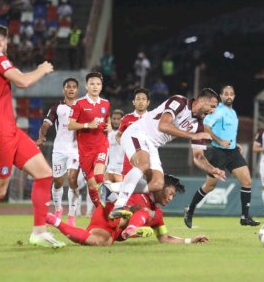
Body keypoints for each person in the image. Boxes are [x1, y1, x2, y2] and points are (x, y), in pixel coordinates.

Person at [0, 24, 65, 255]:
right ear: (1, 42)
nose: (6, 46)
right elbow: (23, 82)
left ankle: (39, 231)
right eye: (6, 43)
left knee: (44, 174)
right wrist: (42, 69)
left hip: (6, 132)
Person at [108, 88, 226, 221]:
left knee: (157, 184)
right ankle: (118, 205)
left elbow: (198, 156)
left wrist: (212, 169)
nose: (213, 111)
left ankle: (110, 188)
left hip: (152, 145)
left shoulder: (198, 126)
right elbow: (163, 125)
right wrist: (193, 135)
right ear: (201, 101)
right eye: (212, 106)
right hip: (137, 133)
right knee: (144, 164)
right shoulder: (179, 102)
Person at [47, 174, 208, 246]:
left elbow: (164, 238)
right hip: (108, 217)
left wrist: (189, 240)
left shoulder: (158, 214)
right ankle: (130, 229)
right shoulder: (138, 188)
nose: (171, 198)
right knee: (145, 212)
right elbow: (106, 188)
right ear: (160, 187)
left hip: (114, 231)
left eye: (173, 196)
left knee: (101, 243)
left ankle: (52, 220)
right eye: (170, 193)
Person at [184, 85, 260, 227]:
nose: (229, 96)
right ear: (221, 96)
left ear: (234, 96)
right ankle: (190, 209)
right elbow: (206, 127)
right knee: (210, 186)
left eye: (231, 93)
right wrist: (220, 141)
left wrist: (234, 144)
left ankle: (245, 217)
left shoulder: (233, 112)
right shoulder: (217, 111)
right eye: (226, 94)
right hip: (218, 151)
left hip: (232, 152)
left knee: (247, 181)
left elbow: (228, 132)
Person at [36, 77, 85, 227]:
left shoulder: (83, 106)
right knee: (57, 182)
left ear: (77, 90)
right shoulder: (57, 107)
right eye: (68, 87)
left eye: (74, 87)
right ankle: (58, 209)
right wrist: (41, 137)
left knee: (72, 180)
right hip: (59, 149)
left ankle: (71, 216)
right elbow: (46, 124)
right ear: (64, 89)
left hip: (75, 150)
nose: (71, 89)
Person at [67, 72, 111, 208]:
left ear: (101, 86)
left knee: (99, 177)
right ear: (86, 86)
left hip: (101, 146)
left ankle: (117, 204)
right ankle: (101, 212)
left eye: (98, 84)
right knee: (92, 186)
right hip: (85, 151)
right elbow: (70, 125)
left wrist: (109, 125)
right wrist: (87, 125)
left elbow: (107, 119)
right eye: (92, 84)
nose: (95, 87)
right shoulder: (79, 104)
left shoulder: (106, 103)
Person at [106, 88, 151, 182]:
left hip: (148, 159)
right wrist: (126, 146)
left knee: (146, 190)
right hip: (129, 160)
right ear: (133, 102)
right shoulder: (127, 118)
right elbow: (118, 136)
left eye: (143, 99)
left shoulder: (153, 119)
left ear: (148, 102)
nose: (141, 102)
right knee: (127, 189)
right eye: (138, 99)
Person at [105, 109, 125, 182]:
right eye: (114, 119)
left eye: (118, 119)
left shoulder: (126, 134)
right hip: (109, 169)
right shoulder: (107, 134)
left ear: (122, 120)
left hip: (122, 169)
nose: (116, 121)